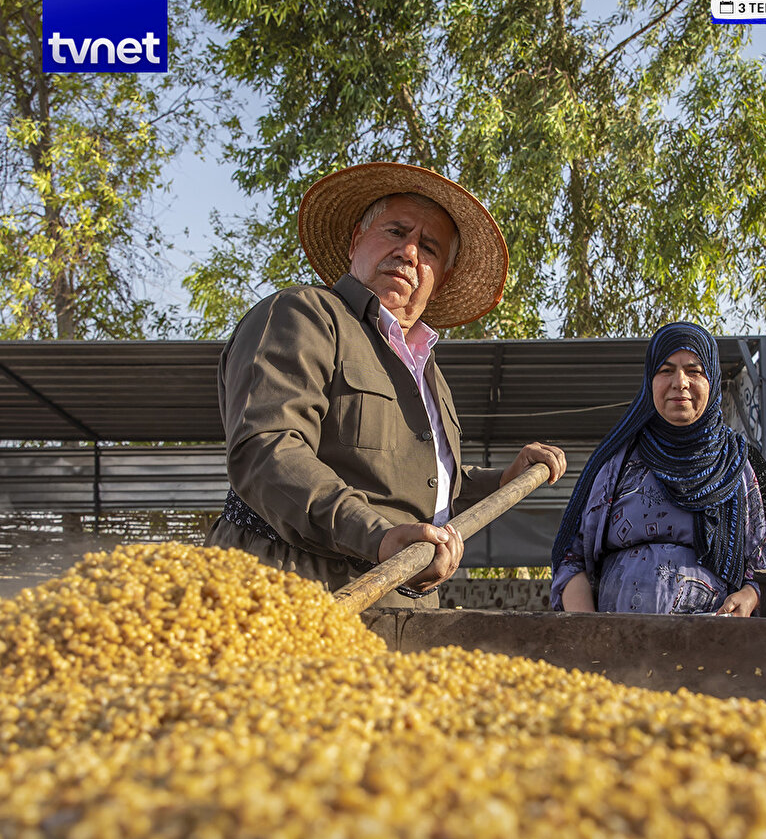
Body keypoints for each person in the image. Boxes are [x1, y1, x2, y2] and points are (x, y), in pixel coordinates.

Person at [206, 162, 566, 607]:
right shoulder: (304, 315)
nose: (410, 252)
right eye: (396, 232)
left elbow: (427, 487)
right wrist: (377, 536)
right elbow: (268, 450)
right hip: (290, 589)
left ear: (442, 277)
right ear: (358, 240)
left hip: (399, 601)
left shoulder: (428, 371)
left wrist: (500, 481)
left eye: (429, 248)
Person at [550, 321, 766, 617]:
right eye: (666, 370)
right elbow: (571, 559)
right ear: (649, 381)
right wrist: (589, 630)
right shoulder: (616, 461)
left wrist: (750, 594)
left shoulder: (740, 463)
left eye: (694, 371)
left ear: (712, 381)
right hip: (617, 649)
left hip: (717, 648)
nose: (679, 382)